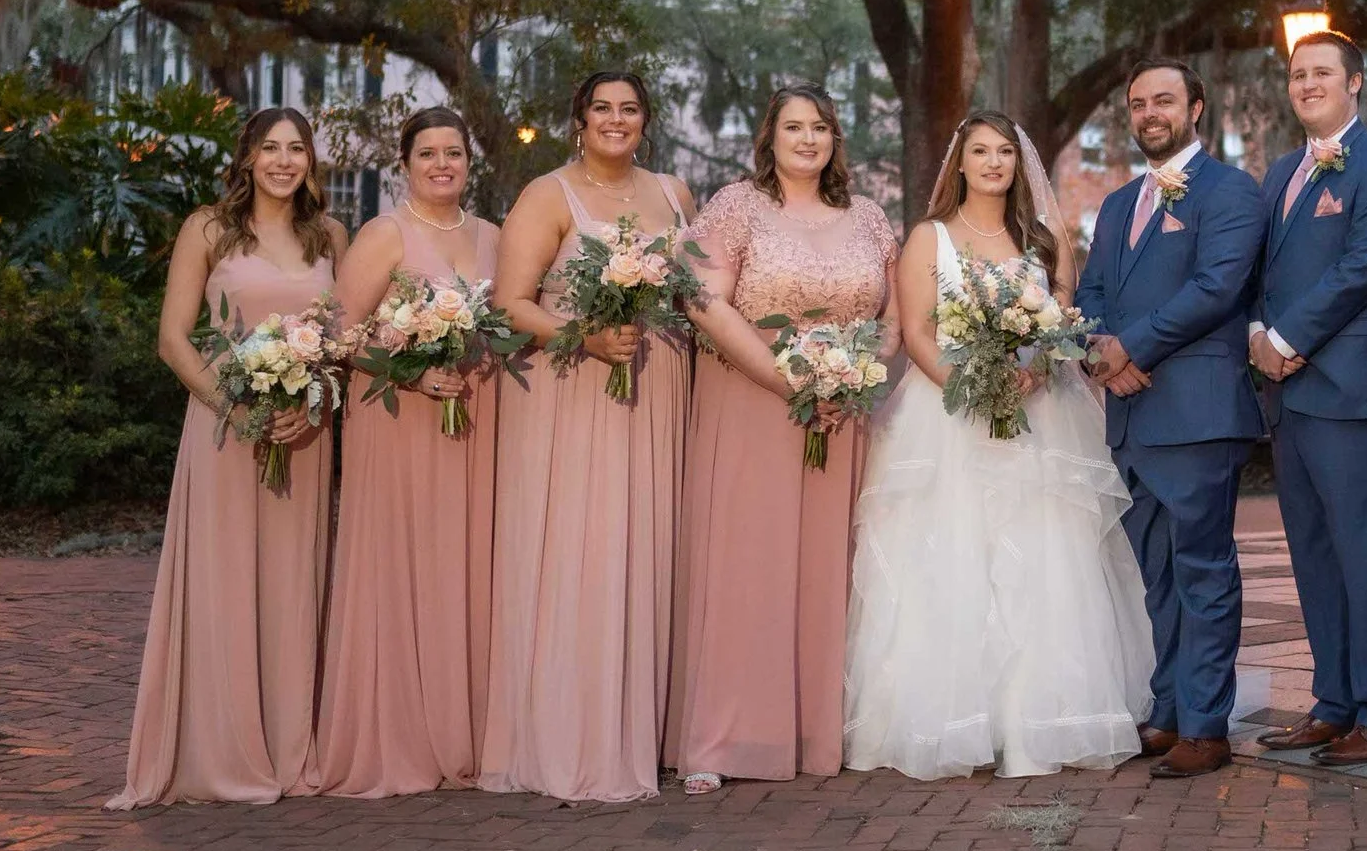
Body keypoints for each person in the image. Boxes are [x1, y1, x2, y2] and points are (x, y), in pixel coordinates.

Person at [843, 111, 1154, 780]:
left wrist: (1033, 368)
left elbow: (1063, 323)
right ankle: (953, 723)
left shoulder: (1044, 241)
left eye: (1004, 152)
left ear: (1019, 163)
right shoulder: (928, 237)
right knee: (950, 559)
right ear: (958, 161)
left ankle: (1040, 721)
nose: (992, 162)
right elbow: (922, 331)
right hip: (949, 416)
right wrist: (972, 388)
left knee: (1044, 561)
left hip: (1041, 413)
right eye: (979, 150)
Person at [665, 85, 899, 790]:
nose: (808, 138)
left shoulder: (869, 216)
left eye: (820, 126)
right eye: (793, 126)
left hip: (842, 411)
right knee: (748, 564)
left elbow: (892, 317)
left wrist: (857, 373)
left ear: (835, 138)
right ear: (769, 137)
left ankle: (810, 729)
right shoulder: (738, 204)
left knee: (829, 567)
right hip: (753, 404)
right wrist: (788, 377)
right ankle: (724, 736)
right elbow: (700, 299)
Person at [110, 107, 345, 808]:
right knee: (225, 579)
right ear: (245, 158)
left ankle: (286, 746)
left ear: (310, 159)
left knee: (291, 583)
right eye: (269, 148)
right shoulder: (208, 229)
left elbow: (344, 336)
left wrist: (311, 404)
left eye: (295, 148)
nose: (282, 160)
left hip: (303, 432)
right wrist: (238, 409)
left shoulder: (330, 234)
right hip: (225, 430)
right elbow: (174, 339)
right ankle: (220, 748)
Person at [480, 71, 696, 803]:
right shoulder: (547, 194)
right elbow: (510, 303)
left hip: (658, 383)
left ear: (646, 120)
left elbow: (699, 294)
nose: (615, 118)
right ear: (579, 117)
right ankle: (567, 736)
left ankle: (636, 728)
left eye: (629, 108)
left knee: (644, 549)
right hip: (573, 388)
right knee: (579, 551)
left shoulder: (673, 193)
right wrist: (588, 334)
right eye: (602, 107)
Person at [1076, 58, 1268, 779]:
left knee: (1203, 570)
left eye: (1164, 100)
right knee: (1156, 574)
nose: (1150, 111)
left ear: (1196, 107)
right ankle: (1168, 708)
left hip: (1195, 413)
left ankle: (1208, 724)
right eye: (1138, 103)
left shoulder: (1231, 191)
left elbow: (1218, 286)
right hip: (1129, 413)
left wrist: (1133, 344)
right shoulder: (1121, 202)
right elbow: (1091, 288)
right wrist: (1100, 351)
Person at [311, 108, 503, 796]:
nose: (442, 164)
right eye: (428, 153)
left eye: (454, 152)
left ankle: (462, 730)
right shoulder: (383, 234)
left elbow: (510, 326)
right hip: (396, 422)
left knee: (463, 564)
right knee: (400, 563)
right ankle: (394, 732)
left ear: (468, 162)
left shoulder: (494, 238)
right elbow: (337, 334)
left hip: (472, 421)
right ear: (405, 162)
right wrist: (415, 372)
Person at [1248, 31, 1367, 768]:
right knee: (1315, 557)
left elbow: (1365, 268)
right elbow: (1255, 265)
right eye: (1298, 74)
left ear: (1356, 82)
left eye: (1323, 71)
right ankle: (1334, 701)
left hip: (1359, 395)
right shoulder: (1280, 171)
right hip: (1292, 401)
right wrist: (1257, 328)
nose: (1308, 83)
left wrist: (1284, 340)